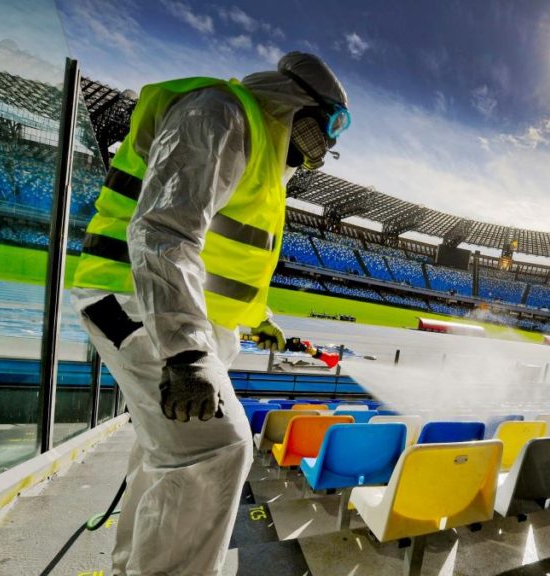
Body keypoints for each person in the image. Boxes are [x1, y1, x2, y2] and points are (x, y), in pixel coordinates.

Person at [70, 52, 349, 575]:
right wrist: (186, 352)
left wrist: (258, 319)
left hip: (174, 312)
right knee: (217, 449)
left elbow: (225, 256)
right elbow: (164, 233)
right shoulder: (221, 113)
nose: (329, 144)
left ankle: (133, 567)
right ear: (296, 101)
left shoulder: (264, 154)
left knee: (168, 452)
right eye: (332, 123)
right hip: (136, 302)